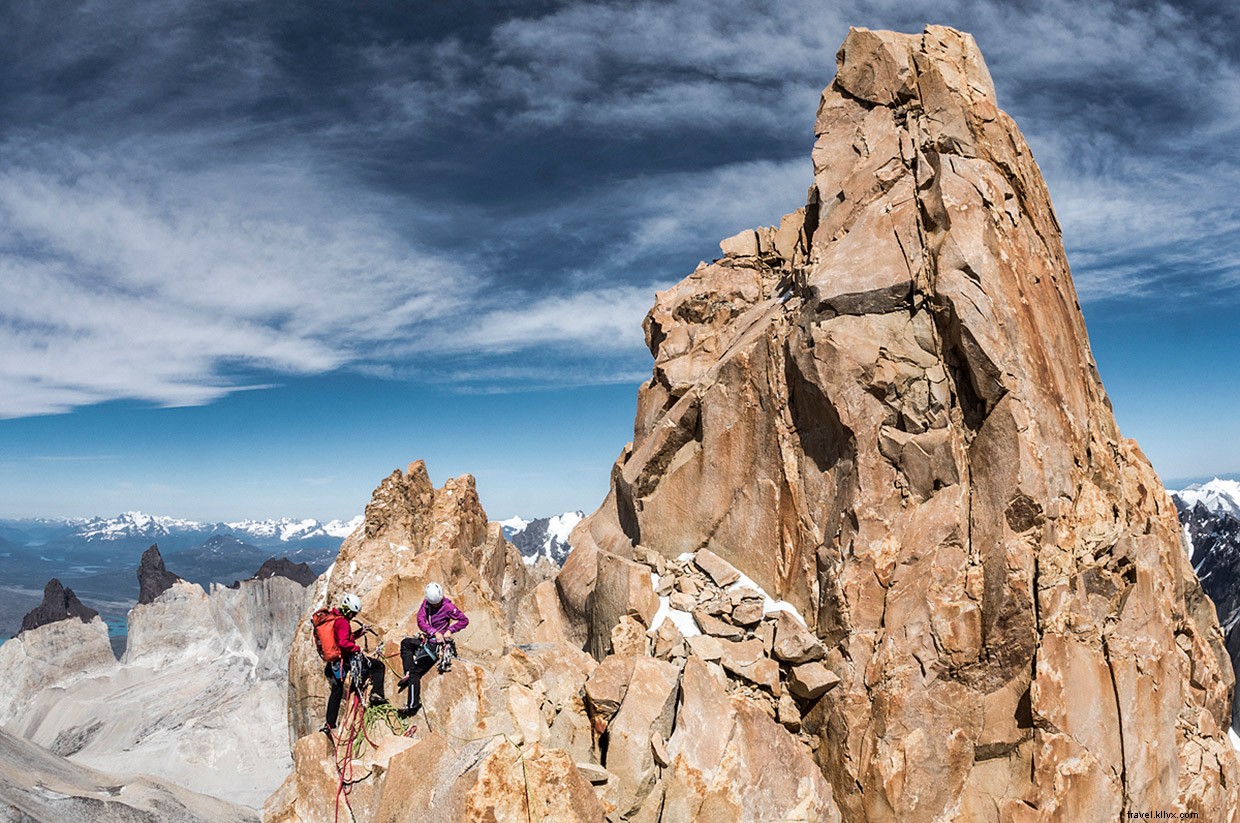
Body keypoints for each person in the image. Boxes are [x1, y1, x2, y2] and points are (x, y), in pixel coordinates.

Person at [397, 582, 468, 718]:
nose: (435, 606)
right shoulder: (427, 603)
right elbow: (420, 621)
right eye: (433, 604)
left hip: (436, 646)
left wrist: (450, 630)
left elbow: (464, 620)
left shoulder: (447, 606)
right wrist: (433, 631)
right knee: (406, 643)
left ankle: (413, 704)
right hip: (429, 639)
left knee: (415, 672)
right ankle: (408, 671)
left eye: (437, 604)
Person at [322, 593, 388, 734]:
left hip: (336, 661)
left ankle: (329, 724)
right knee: (378, 666)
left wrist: (359, 633)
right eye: (353, 613)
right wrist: (358, 648)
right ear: (348, 610)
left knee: (336, 690)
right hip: (345, 660)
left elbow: (344, 637)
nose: (353, 616)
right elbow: (344, 642)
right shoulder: (343, 622)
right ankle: (376, 695)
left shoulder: (335, 618)